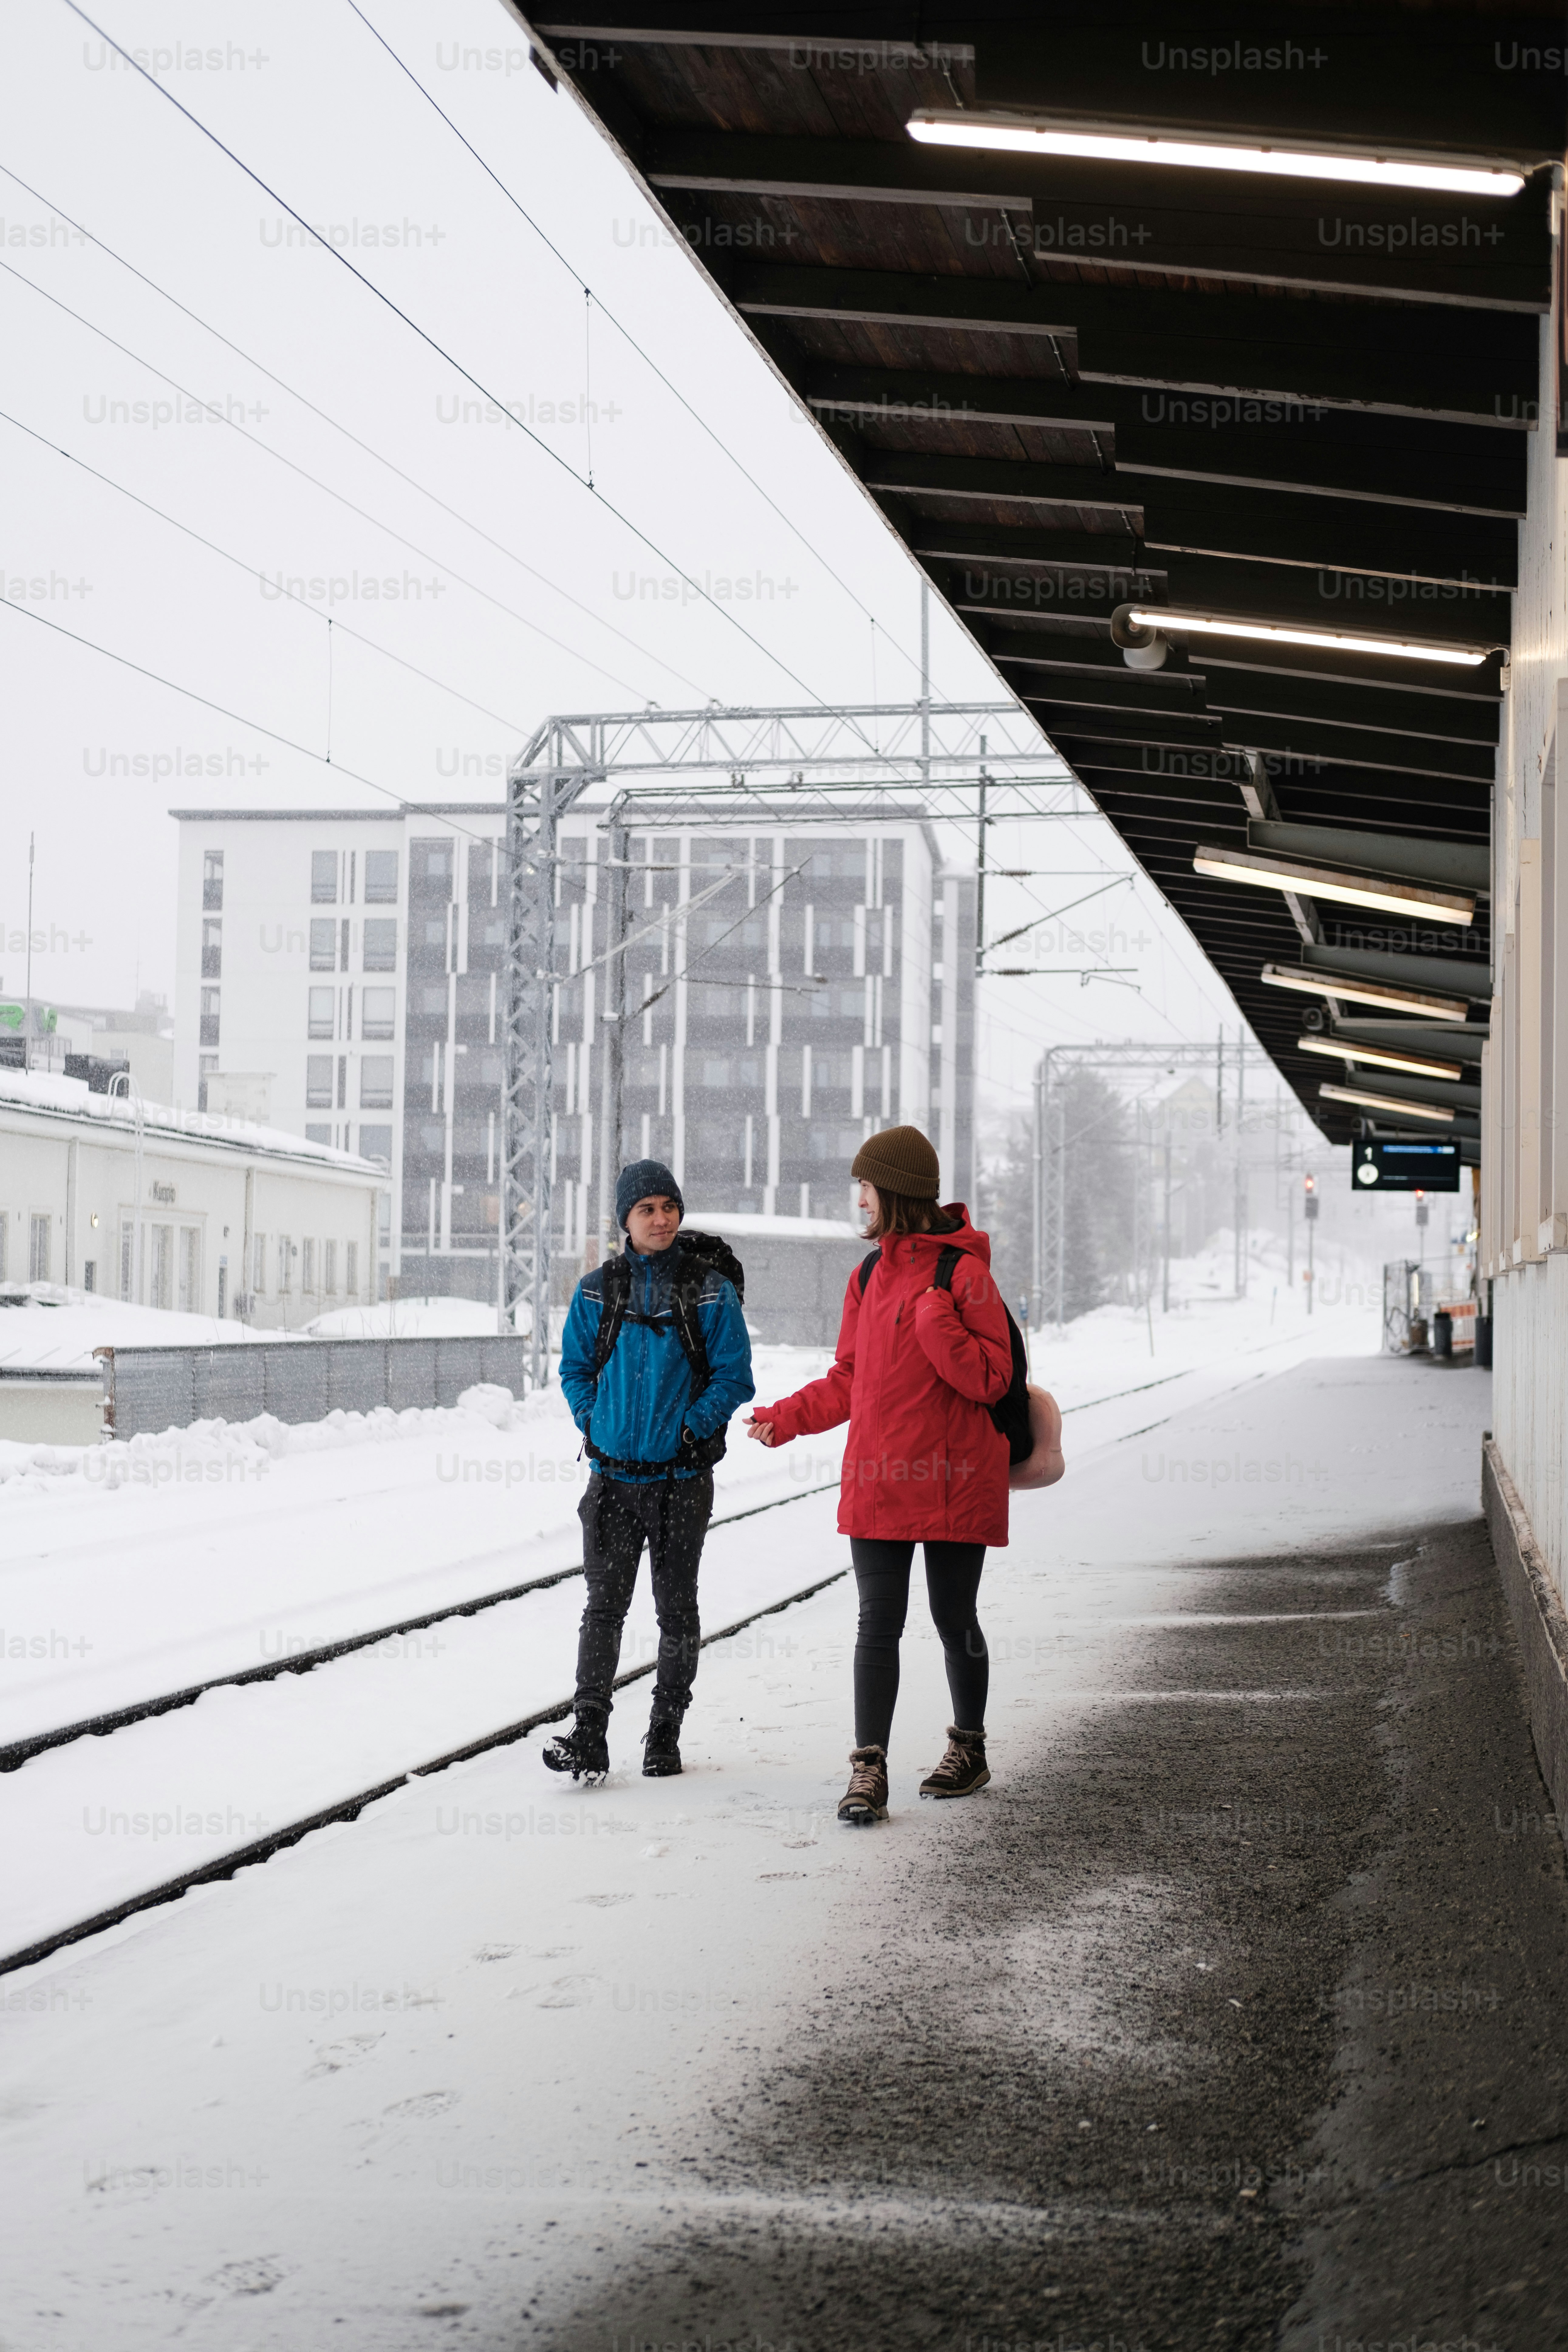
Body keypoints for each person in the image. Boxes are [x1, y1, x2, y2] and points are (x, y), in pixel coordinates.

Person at [746, 1124, 1012, 1825]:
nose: (859, 1198)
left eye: (864, 1185)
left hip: (954, 1479)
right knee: (877, 1624)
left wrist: (936, 1322)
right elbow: (849, 1377)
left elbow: (990, 1379)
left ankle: (968, 1748)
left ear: (893, 1190)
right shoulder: (866, 1276)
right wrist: (788, 1417)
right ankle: (868, 1768)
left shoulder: (964, 1275)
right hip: (880, 1478)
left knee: (953, 1617)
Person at [546, 1159, 753, 1783]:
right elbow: (574, 1369)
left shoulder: (709, 1290)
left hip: (680, 1482)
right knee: (603, 1610)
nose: (661, 1219)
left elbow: (734, 1377)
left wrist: (690, 1428)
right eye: (647, 1209)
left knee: (676, 1609)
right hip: (611, 1479)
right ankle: (589, 1732)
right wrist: (593, 1419)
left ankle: (665, 1732)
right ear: (626, 1220)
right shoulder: (596, 1290)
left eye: (669, 1207)